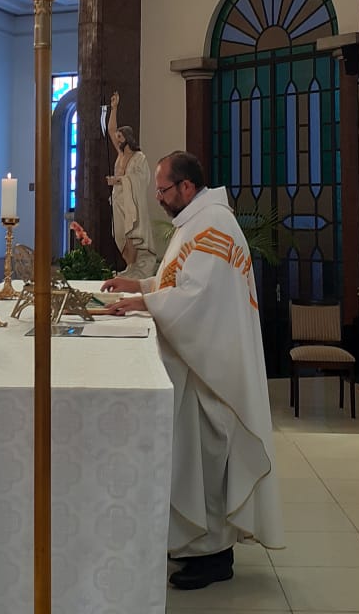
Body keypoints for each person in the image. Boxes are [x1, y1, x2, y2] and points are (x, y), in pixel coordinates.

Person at [102, 150, 282, 590]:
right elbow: (179, 281)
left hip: (213, 371)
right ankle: (197, 548)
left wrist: (146, 302)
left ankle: (215, 557)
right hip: (202, 362)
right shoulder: (196, 223)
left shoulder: (214, 224)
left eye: (163, 189)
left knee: (208, 462)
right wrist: (141, 285)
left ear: (186, 186)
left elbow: (199, 298)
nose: (158, 198)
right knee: (196, 462)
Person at [105, 91, 157, 278]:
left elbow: (141, 178)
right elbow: (111, 129)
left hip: (131, 201)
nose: (117, 139)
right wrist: (114, 108)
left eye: (120, 137)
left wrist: (119, 180)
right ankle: (130, 265)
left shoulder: (138, 157)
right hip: (119, 199)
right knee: (120, 234)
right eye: (117, 136)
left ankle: (134, 267)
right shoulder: (120, 155)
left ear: (127, 138)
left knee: (131, 233)